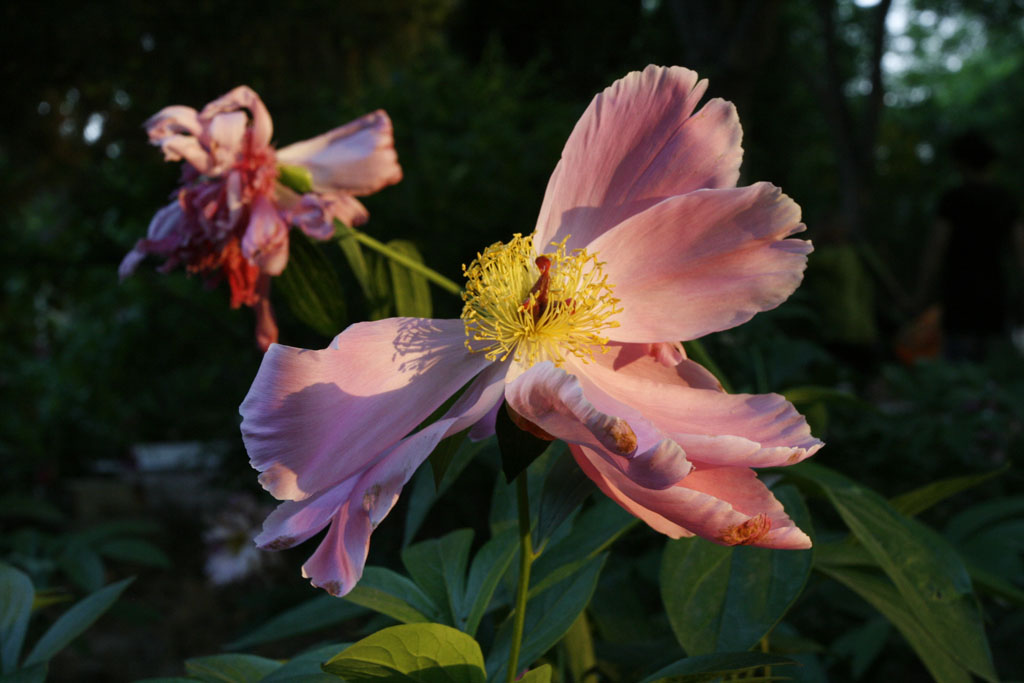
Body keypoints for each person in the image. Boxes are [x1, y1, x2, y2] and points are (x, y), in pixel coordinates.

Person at [917, 131, 1023, 361]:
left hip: (959, 294)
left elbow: (936, 248)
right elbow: (1020, 250)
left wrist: (921, 294)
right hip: (995, 292)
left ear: (961, 162)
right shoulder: (1005, 199)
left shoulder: (954, 199)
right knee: (994, 373)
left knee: (960, 374)